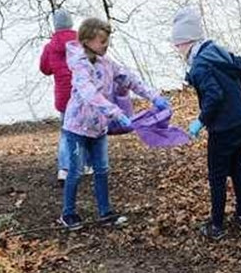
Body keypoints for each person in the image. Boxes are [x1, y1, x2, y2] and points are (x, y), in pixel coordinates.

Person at [59, 17, 169, 231]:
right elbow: (89, 93)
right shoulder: (80, 66)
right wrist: (115, 112)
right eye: (102, 41)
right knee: (75, 171)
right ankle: (68, 213)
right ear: (88, 40)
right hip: (77, 128)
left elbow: (130, 79)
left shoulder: (107, 63)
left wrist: (154, 97)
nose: (106, 45)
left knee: (102, 169)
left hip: (99, 128)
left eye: (107, 40)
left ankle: (105, 212)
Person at [173, 6, 241, 240]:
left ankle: (217, 226)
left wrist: (200, 121)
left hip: (224, 127)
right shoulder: (216, 50)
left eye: (177, 44)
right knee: (237, 169)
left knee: (217, 176)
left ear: (186, 41)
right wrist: (233, 88)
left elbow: (214, 96)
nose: (176, 48)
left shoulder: (200, 64)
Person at [39, 8, 80, 185]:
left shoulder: (50, 47)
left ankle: (64, 169)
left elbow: (45, 69)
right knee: (84, 130)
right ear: (71, 23)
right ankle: (85, 164)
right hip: (82, 93)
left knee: (66, 133)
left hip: (63, 96)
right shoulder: (82, 42)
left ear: (55, 26)